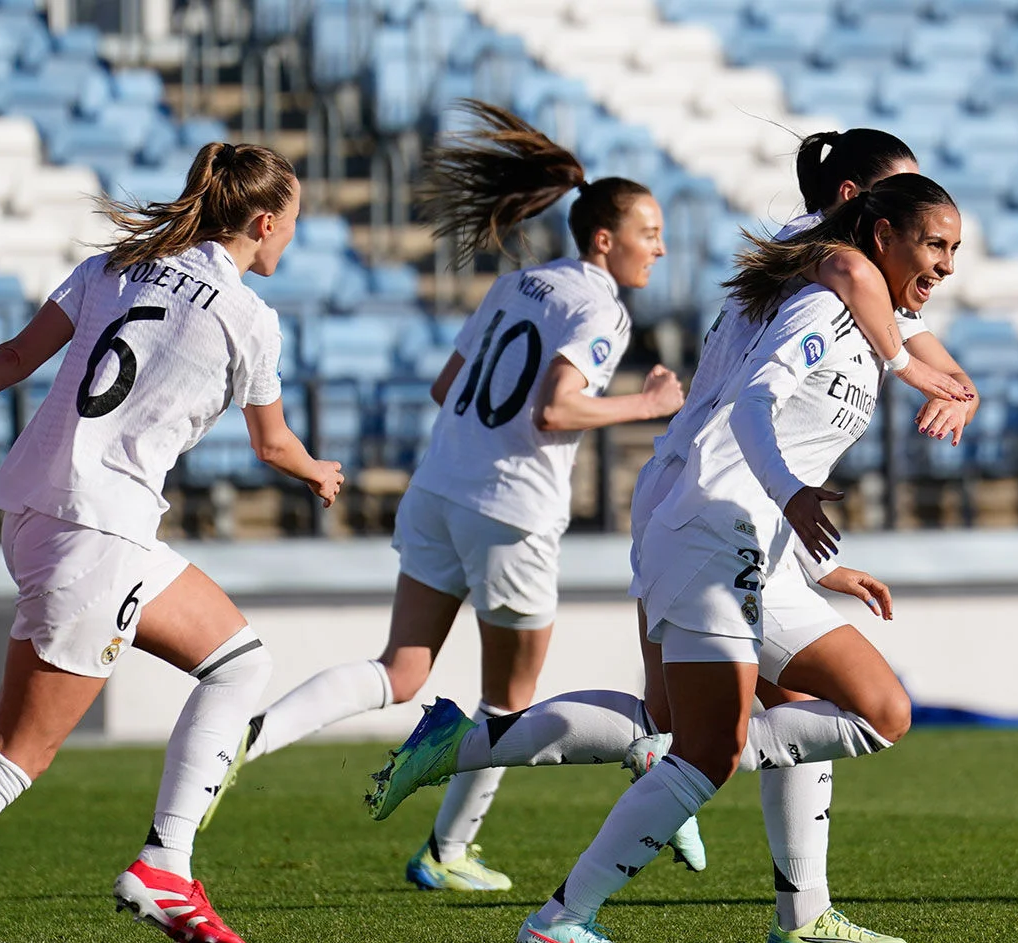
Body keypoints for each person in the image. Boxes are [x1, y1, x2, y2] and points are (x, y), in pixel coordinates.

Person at [365, 129, 979, 943]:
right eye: (926, 232)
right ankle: (554, 890)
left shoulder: (863, 297)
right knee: (703, 742)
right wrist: (903, 374)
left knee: (793, 716)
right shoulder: (833, 275)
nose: (941, 261)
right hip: (709, 511)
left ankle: (799, 911)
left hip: (733, 520)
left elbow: (875, 341)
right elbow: (778, 381)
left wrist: (818, 553)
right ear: (864, 214)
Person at [205, 101, 684, 892]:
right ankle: (448, 849)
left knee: (399, 669)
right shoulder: (601, 305)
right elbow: (557, 409)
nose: (660, 249)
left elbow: (444, 384)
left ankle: (250, 743)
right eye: (650, 233)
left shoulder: (519, 284)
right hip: (512, 510)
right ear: (605, 239)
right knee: (509, 703)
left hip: (439, 487)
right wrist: (647, 404)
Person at [0, 143, 343, 943]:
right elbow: (272, 444)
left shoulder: (119, 265)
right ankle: (163, 864)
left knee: (237, 660)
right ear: (264, 224)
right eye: (292, 224)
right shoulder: (249, 318)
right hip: (100, 534)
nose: (292, 238)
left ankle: (167, 862)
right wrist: (315, 470)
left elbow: (15, 357)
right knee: (14, 755)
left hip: (38, 513)